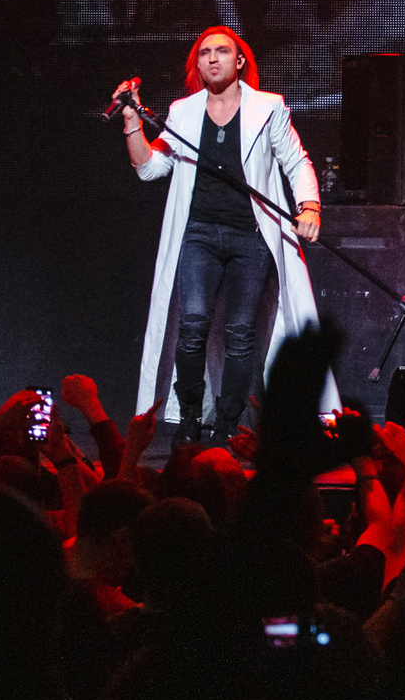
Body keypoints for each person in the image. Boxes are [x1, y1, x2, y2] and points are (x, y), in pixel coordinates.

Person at [118, 26, 333, 445]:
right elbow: (150, 167)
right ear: (197, 65)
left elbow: (296, 161)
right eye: (204, 53)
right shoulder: (183, 112)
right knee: (192, 326)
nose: (212, 58)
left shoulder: (268, 107)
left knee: (239, 334)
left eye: (221, 51)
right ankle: (190, 418)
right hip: (198, 234)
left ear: (239, 61)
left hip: (250, 237)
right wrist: (131, 122)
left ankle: (229, 424)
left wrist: (310, 205)